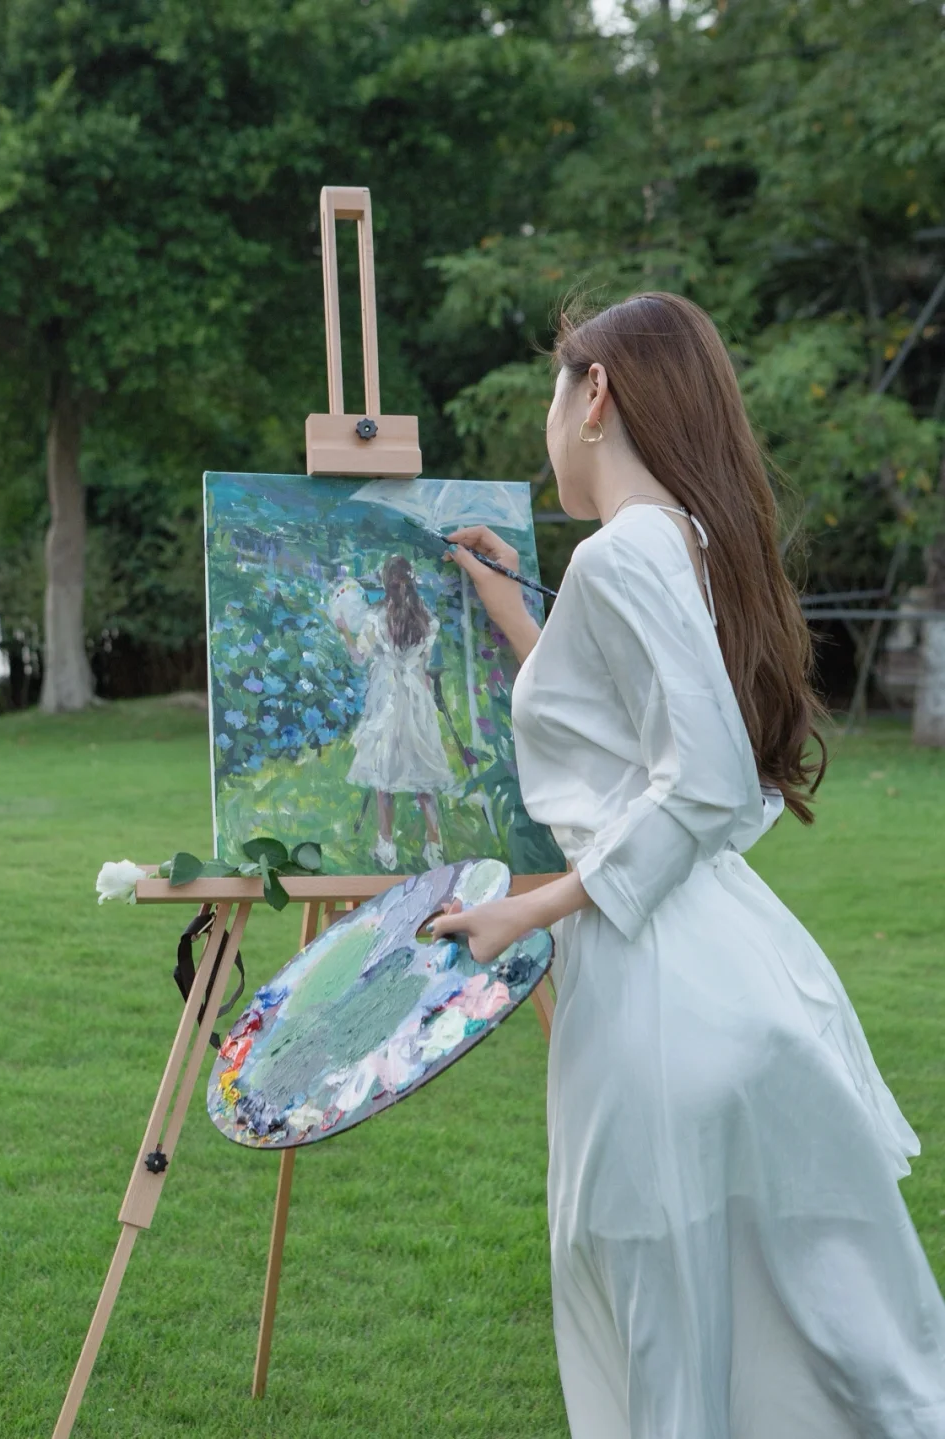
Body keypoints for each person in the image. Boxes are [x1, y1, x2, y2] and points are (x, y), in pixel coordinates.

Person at [431, 293, 945, 1437]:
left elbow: (705, 775)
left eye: (553, 397)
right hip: (709, 964)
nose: (548, 430)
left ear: (596, 394)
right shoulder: (675, 541)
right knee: (792, 1322)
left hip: (661, 983)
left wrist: (533, 909)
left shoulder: (626, 552)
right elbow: (629, 739)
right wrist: (516, 612)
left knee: (666, 1315)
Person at [337, 553, 455, 872]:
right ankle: (434, 846)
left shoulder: (375, 619)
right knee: (423, 774)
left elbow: (358, 658)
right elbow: (424, 666)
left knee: (384, 776)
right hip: (415, 698)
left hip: (387, 697)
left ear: (385, 583)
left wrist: (344, 630)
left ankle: (387, 846)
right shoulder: (426, 620)